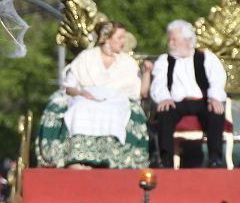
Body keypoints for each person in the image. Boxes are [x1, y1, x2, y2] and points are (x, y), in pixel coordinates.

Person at [36, 22, 149, 168]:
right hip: (85, 97)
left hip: (116, 100)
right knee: (80, 108)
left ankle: (112, 157)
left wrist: (146, 73)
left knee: (115, 111)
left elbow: (140, 92)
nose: (123, 42)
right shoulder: (87, 57)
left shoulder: (127, 63)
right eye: (120, 37)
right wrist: (82, 93)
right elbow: (69, 86)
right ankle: (77, 157)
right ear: (107, 38)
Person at [150, 19, 229, 168]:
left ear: (188, 40)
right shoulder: (164, 60)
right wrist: (164, 98)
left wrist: (214, 97)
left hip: (202, 101)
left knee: (216, 111)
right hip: (176, 103)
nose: (170, 43)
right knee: (164, 111)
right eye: (170, 39)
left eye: (174, 39)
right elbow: (158, 83)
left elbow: (217, 79)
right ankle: (165, 161)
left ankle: (215, 159)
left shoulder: (207, 57)